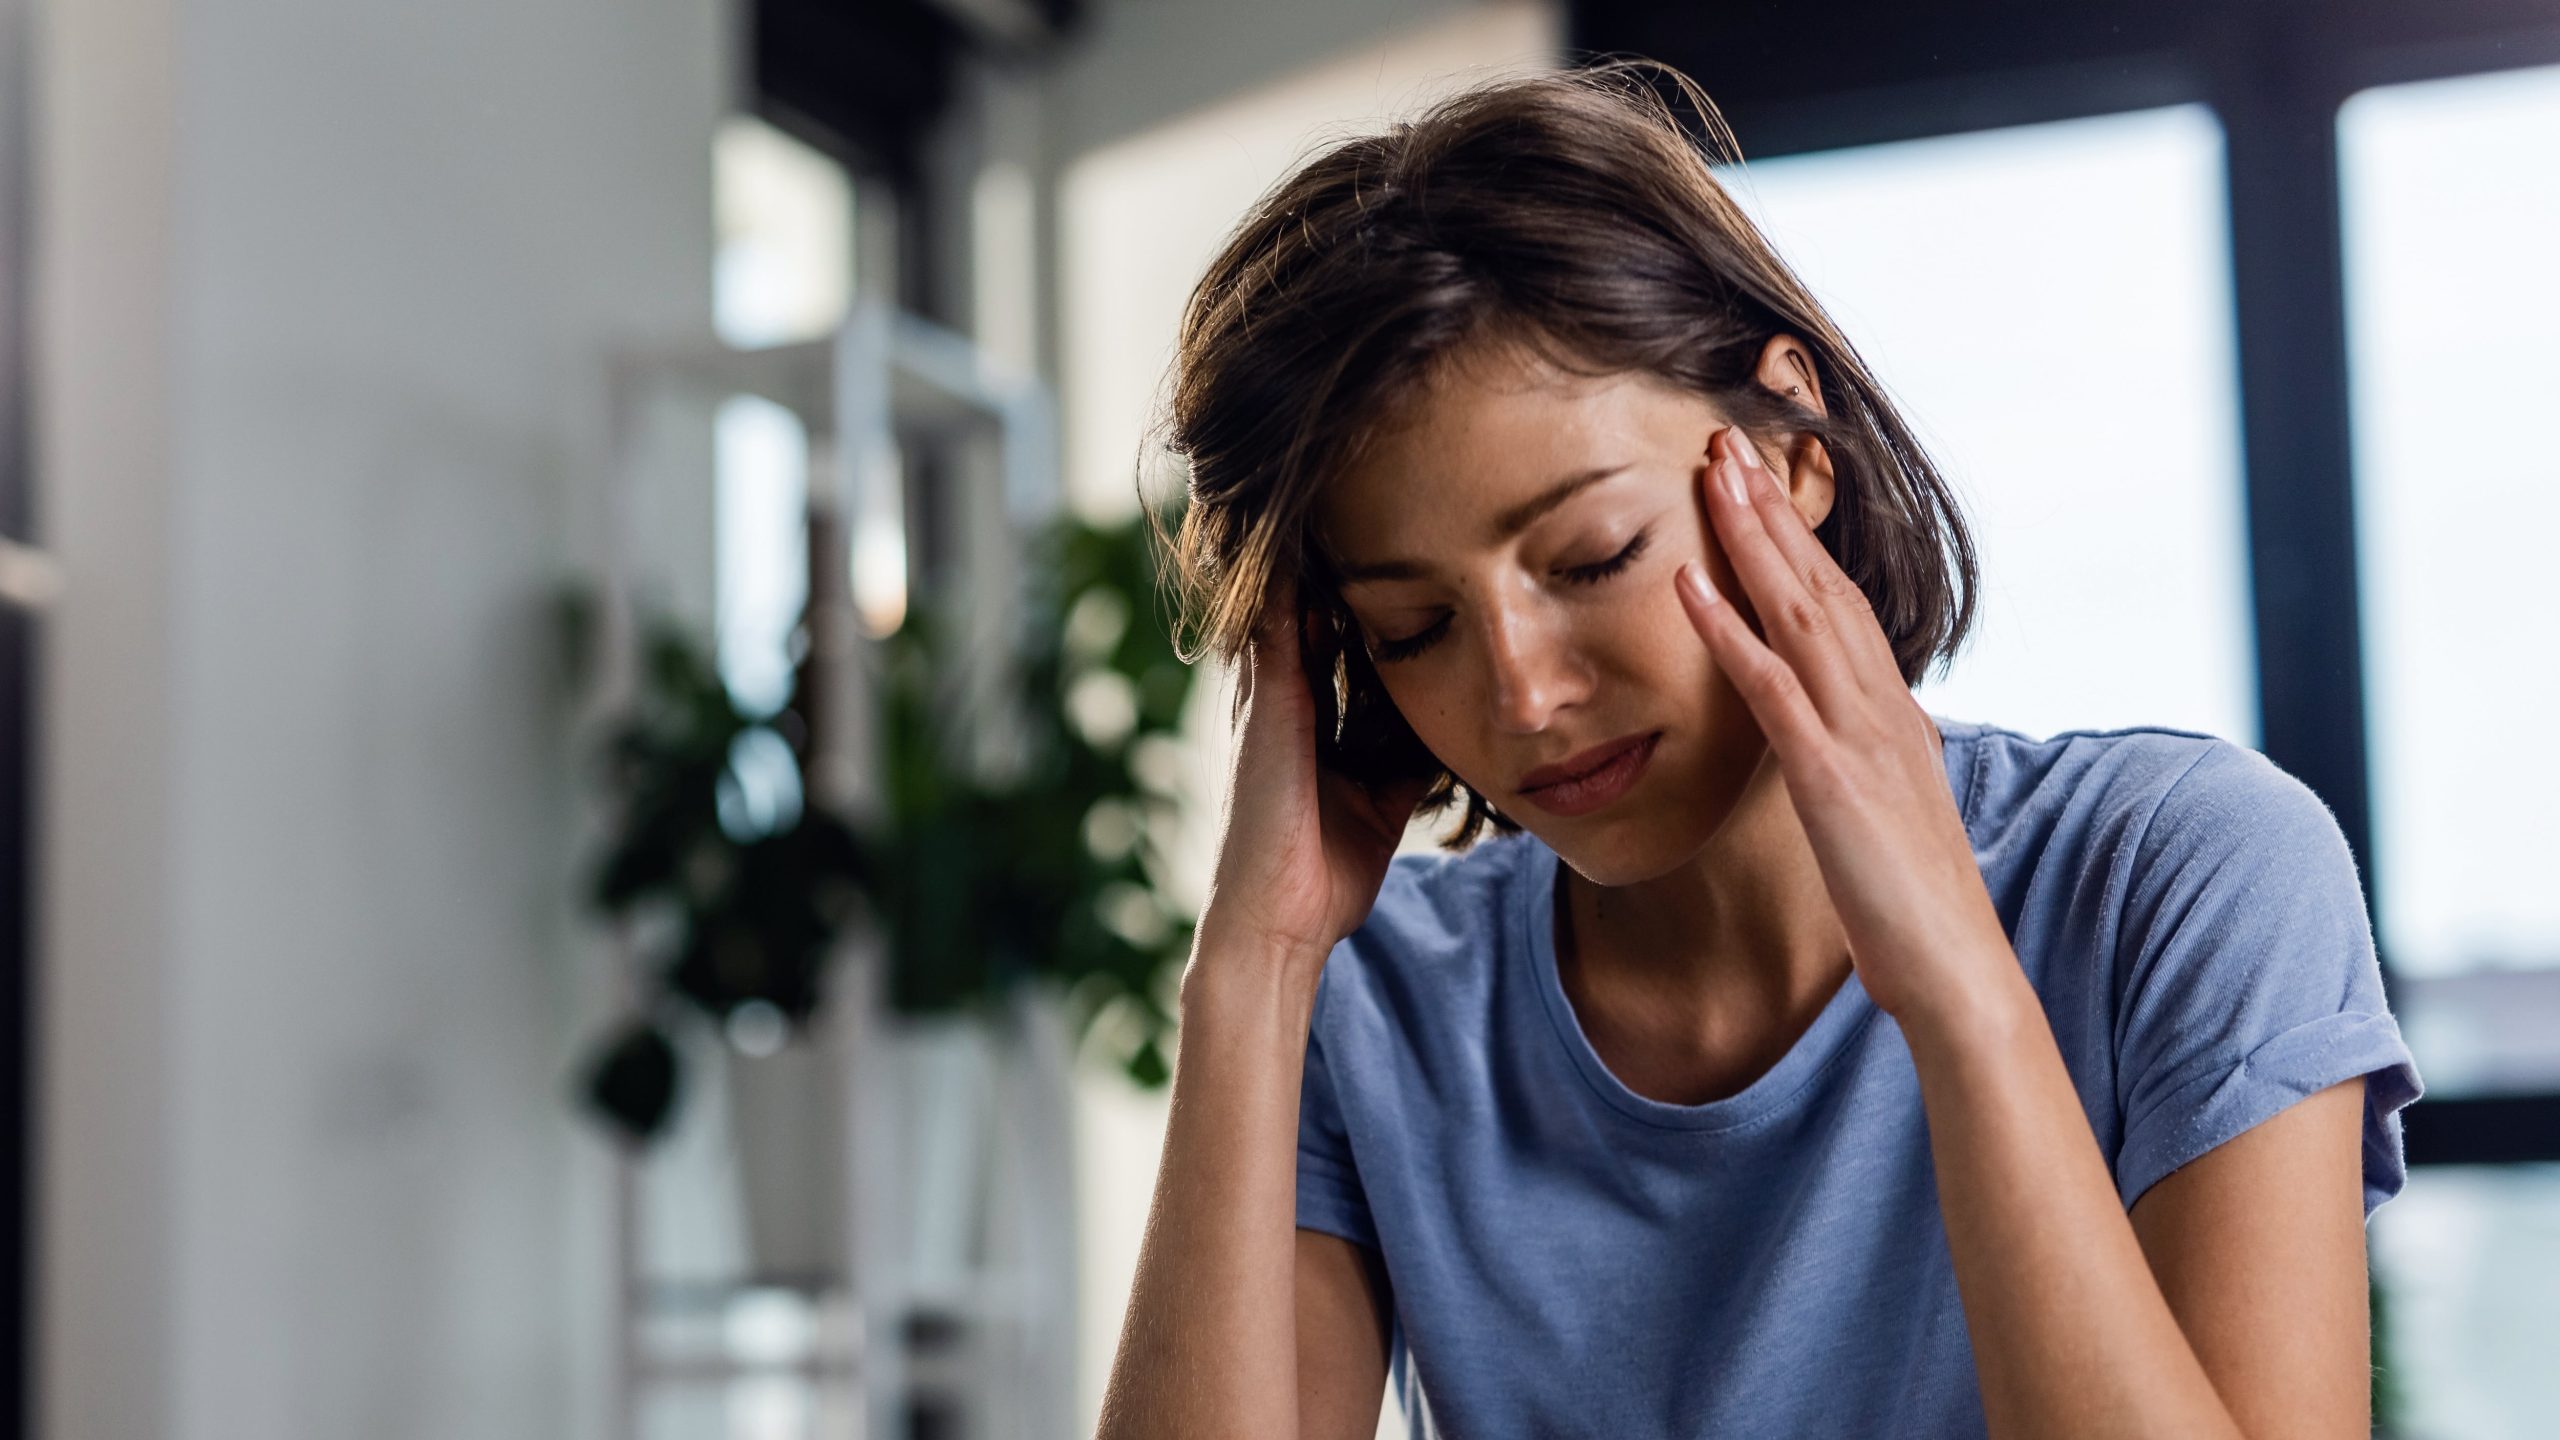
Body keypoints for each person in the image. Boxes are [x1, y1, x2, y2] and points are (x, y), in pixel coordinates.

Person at [1095, 59, 2422, 1440]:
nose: (1524, 696)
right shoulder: (1379, 1004)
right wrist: (1247, 978)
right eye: (1415, 626)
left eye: (1596, 554)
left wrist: (1958, 991)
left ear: (1787, 454)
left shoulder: (2186, 875)